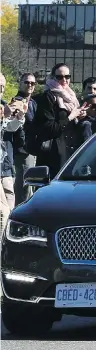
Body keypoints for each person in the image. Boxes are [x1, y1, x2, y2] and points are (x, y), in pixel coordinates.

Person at [32, 63, 87, 179]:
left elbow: (72, 124)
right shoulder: (49, 96)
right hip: (54, 154)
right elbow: (49, 127)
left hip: (70, 151)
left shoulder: (71, 96)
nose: (64, 80)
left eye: (67, 76)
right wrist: (71, 117)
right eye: (59, 77)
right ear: (52, 78)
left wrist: (79, 116)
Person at [0, 73, 26, 235]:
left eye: (3, 86)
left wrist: (20, 116)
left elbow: (10, 128)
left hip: (5, 166)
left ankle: (6, 243)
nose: (1, 90)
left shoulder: (3, 105)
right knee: (3, 211)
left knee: (11, 208)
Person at [13, 73, 38, 205]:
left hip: (32, 148)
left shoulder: (33, 103)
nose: (29, 85)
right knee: (24, 184)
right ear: (20, 83)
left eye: (32, 83)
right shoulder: (16, 101)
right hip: (22, 149)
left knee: (30, 184)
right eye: (27, 82)